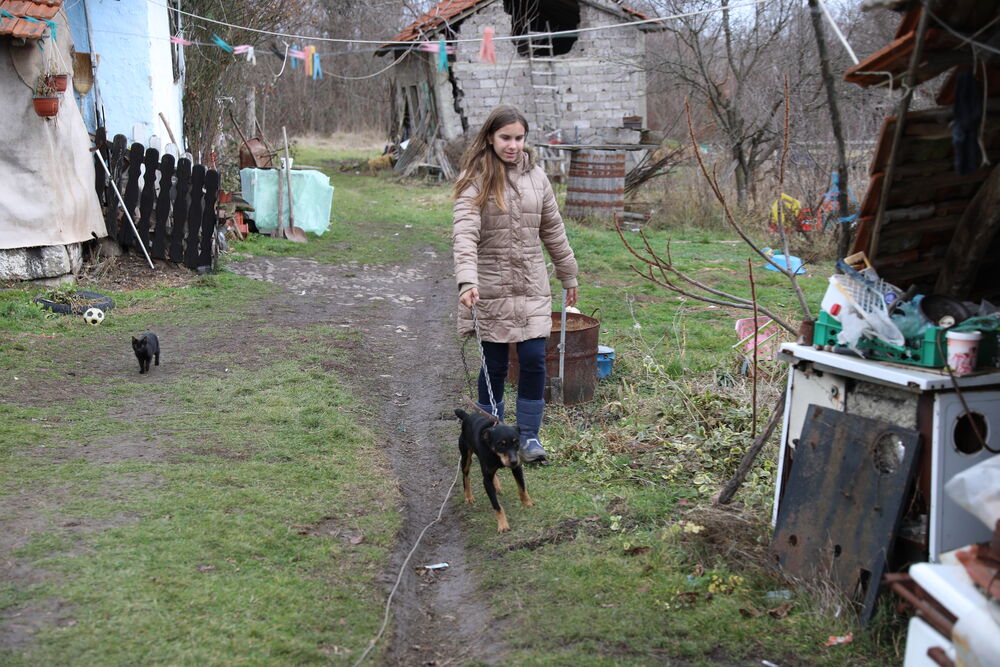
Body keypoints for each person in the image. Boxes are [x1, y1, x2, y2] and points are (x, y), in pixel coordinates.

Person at [452, 105, 579, 463]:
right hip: (488, 286)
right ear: (490, 138)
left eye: (519, 138)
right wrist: (466, 280)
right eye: (505, 137)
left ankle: (529, 437)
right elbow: (464, 234)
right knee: (493, 365)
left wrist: (568, 273)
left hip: (532, 284)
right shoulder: (476, 178)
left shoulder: (538, 177)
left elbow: (553, 229)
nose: (512, 145)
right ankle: (490, 431)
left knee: (534, 359)